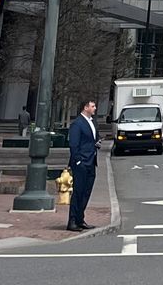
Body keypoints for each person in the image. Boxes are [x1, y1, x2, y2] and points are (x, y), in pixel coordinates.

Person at [66, 99, 102, 231]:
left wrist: (96, 143)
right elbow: (73, 144)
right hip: (81, 162)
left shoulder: (92, 122)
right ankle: (72, 220)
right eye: (92, 106)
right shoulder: (77, 124)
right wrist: (78, 161)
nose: (95, 108)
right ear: (85, 107)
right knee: (78, 192)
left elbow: (91, 140)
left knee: (86, 192)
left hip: (91, 161)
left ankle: (80, 219)